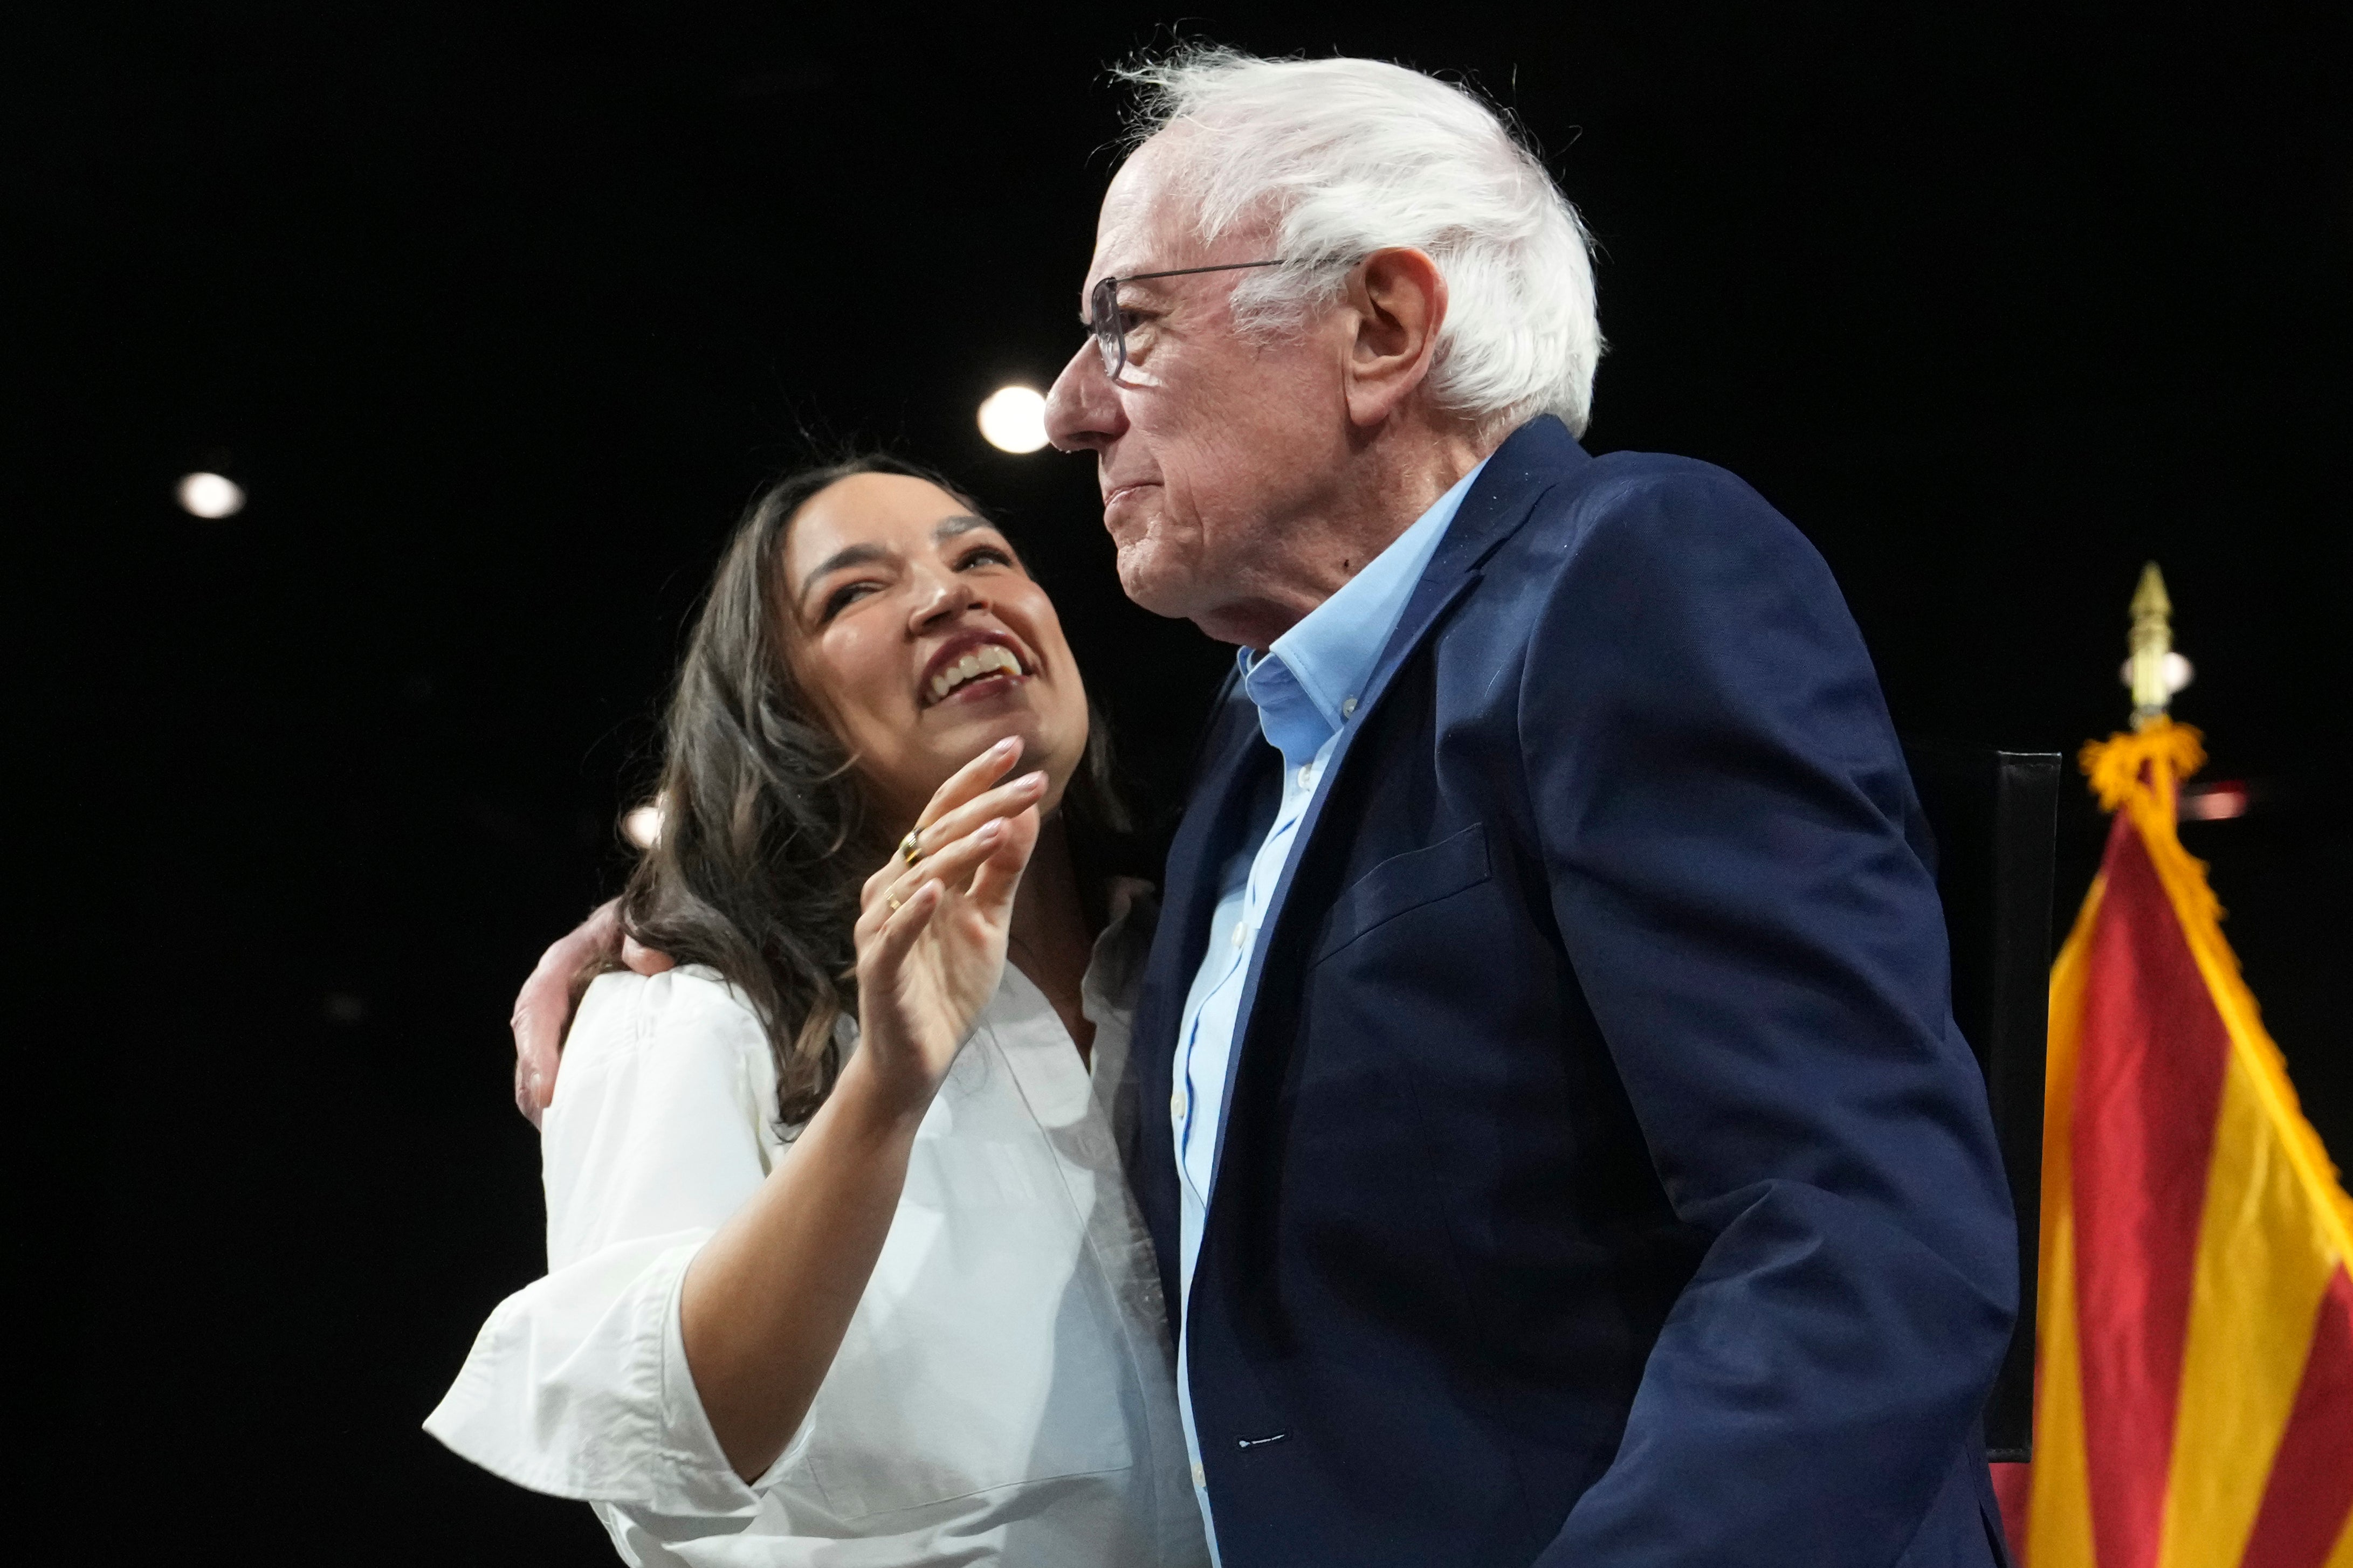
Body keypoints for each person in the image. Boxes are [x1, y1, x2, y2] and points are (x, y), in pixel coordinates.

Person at [517, 46, 2019, 1568]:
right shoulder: (1255, 755)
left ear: (1379, 325)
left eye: (1130, 324)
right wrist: (695, 918)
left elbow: (1854, 1229)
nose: (1073, 403)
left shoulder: (1626, 573)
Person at [434, 455, 1210, 1567]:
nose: (950, 594)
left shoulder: (1205, 948)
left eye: (982, 554)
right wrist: (886, 1090)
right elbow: (669, 1456)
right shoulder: (688, 1015)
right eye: (854, 592)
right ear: (779, 716)